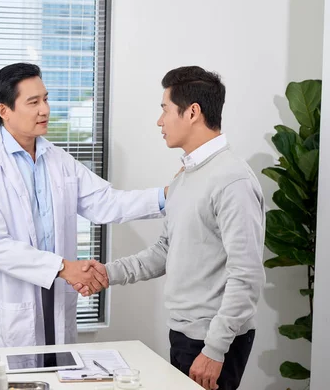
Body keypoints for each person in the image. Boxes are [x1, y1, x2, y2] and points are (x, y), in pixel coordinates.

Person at [75, 66, 266, 390]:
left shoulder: (232, 180)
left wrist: (215, 349)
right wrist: (108, 273)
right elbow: (166, 249)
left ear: (192, 112)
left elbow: (246, 274)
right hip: (185, 333)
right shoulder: (186, 177)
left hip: (213, 341)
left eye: (165, 109)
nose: (159, 121)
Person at [0, 62, 169, 350]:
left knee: (56, 373)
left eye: (45, 99)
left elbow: (106, 202)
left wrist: (168, 195)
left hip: (52, 296)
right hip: (7, 302)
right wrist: (62, 267)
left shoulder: (58, 160)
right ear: (4, 111)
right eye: (33, 102)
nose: (44, 109)